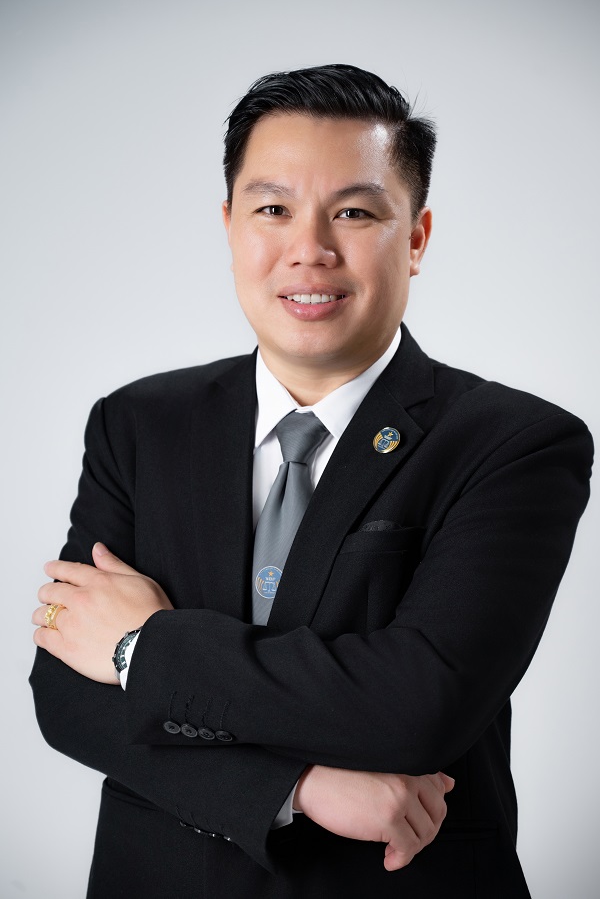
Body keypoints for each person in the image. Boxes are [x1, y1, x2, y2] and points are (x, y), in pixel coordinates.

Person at [30, 64, 593, 898]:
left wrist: (140, 647)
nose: (310, 249)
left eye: (354, 212)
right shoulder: (139, 423)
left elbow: (418, 702)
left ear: (416, 238)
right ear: (229, 226)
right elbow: (67, 694)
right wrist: (294, 786)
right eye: (273, 210)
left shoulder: (515, 443)